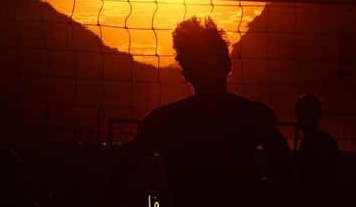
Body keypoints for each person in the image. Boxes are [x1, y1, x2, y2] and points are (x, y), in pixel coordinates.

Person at [107, 17, 290, 207]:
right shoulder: (254, 116)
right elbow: (286, 176)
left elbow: (120, 174)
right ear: (228, 64)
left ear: (185, 70)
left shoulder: (164, 121)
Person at [294, 94, 340, 204]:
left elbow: (309, 179)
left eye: (301, 114)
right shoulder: (325, 141)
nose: (298, 118)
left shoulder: (312, 142)